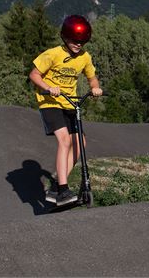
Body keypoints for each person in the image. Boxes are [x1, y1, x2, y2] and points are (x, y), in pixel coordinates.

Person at [28, 15, 103, 206]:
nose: (79, 44)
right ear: (65, 37)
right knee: (64, 139)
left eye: (83, 41)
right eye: (75, 41)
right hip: (50, 101)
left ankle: (56, 186)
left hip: (70, 103)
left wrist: (95, 87)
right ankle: (63, 190)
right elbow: (34, 75)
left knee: (80, 142)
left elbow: (92, 77)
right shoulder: (53, 54)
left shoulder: (85, 57)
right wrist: (48, 87)